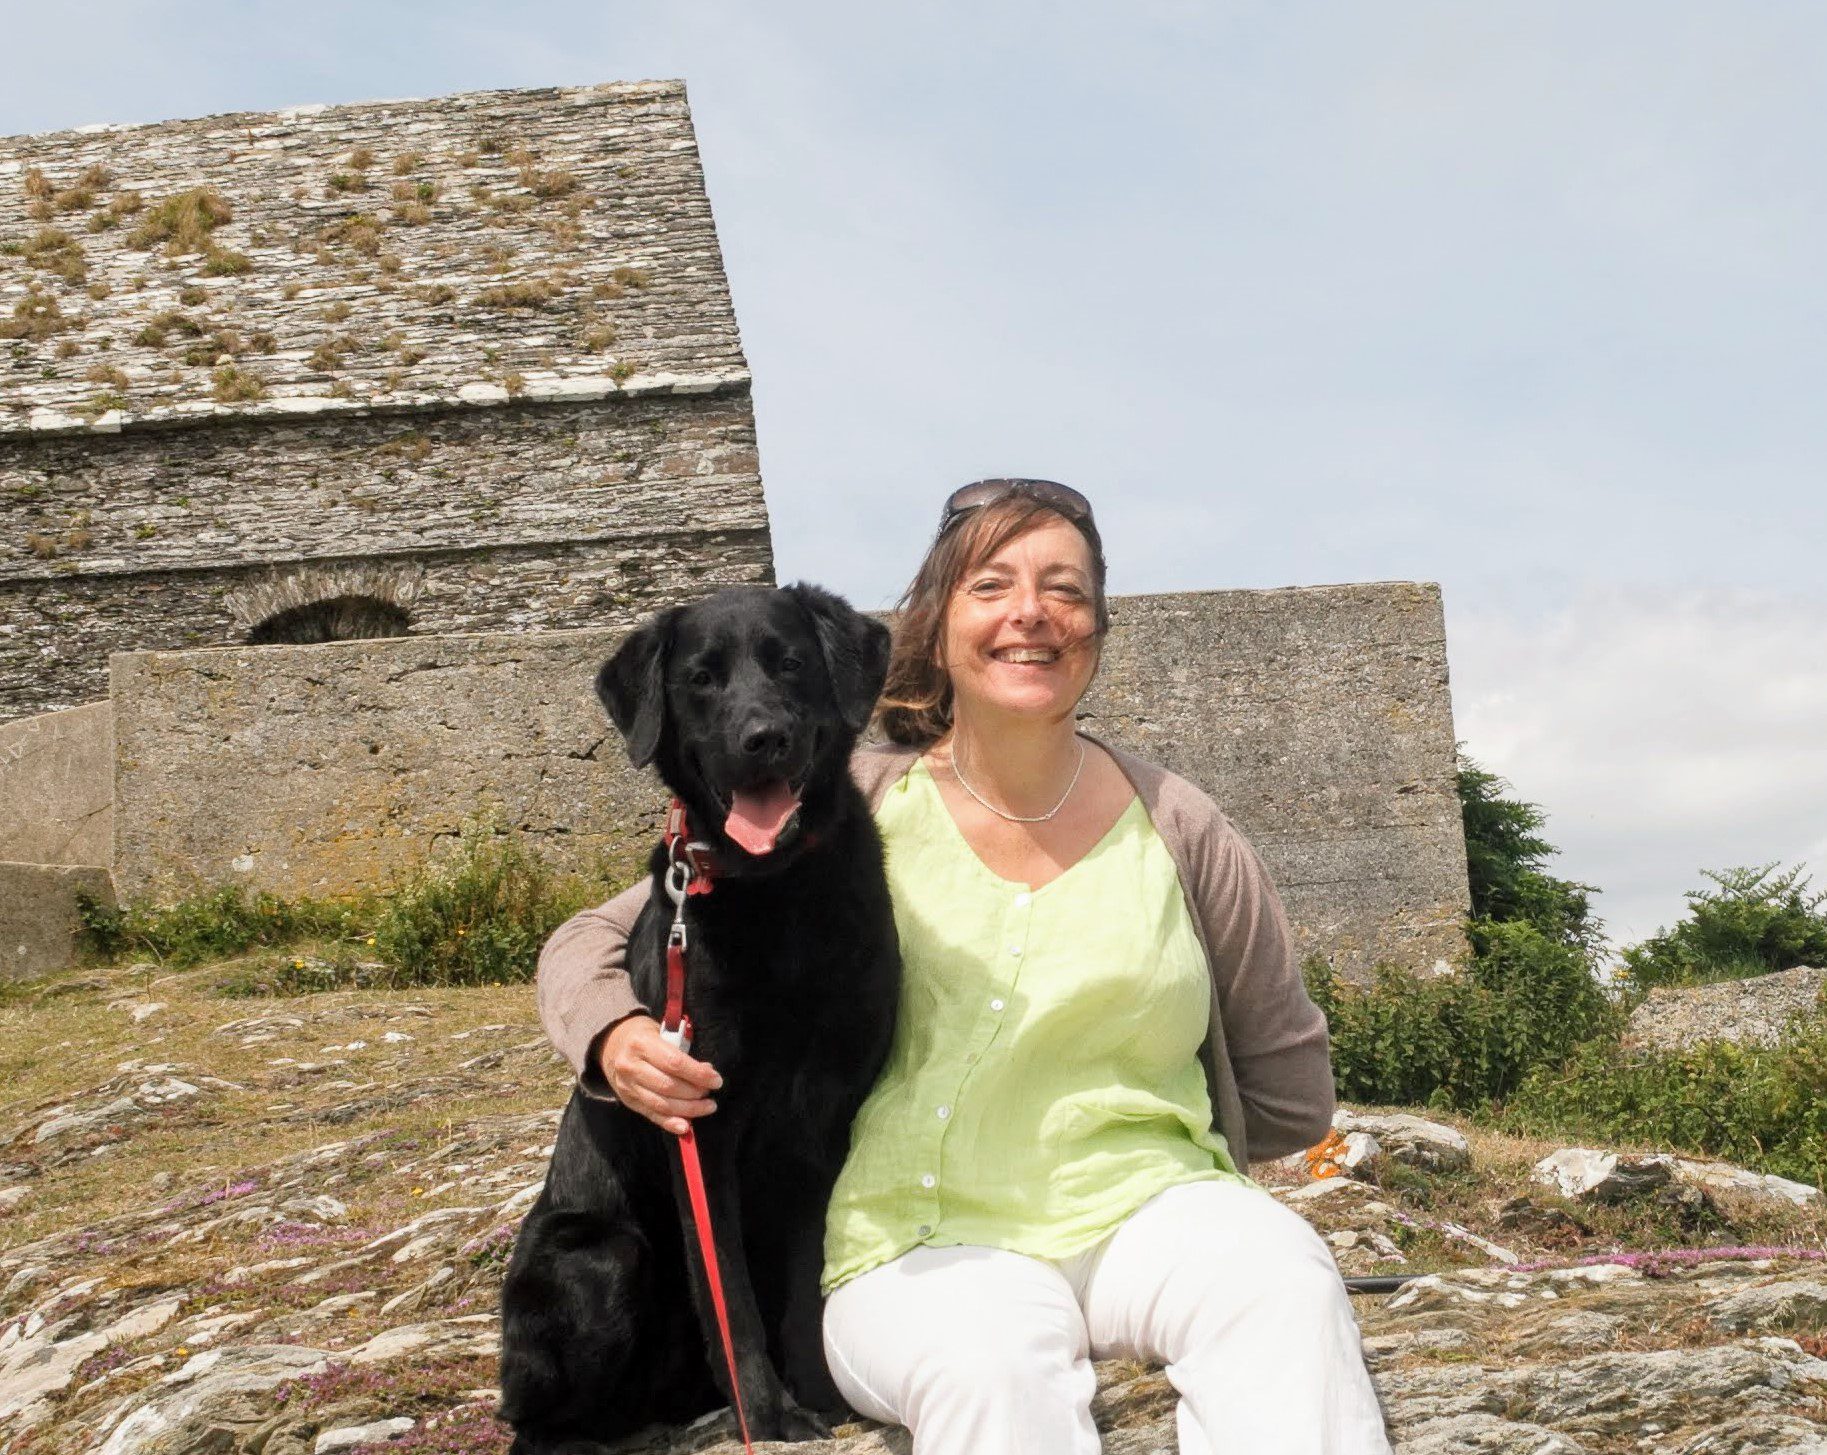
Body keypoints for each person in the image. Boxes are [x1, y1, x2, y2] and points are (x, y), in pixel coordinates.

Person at [536, 479, 1393, 1454]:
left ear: (1097, 630)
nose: (1032, 611)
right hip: (920, 1243)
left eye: (1064, 589)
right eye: (994, 585)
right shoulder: (845, 802)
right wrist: (615, 1034)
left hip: (1152, 1217)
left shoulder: (1185, 829)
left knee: (1281, 1284)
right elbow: (593, 941)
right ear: (936, 628)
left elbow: (1290, 1095)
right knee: (989, 1369)